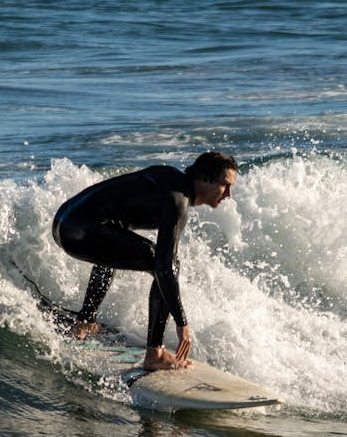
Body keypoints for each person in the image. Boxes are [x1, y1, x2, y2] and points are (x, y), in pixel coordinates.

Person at [52, 151, 238, 371]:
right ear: (204, 178)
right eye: (225, 185)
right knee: (165, 264)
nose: (228, 194)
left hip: (64, 221)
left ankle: (85, 322)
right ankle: (155, 353)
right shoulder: (179, 200)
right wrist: (182, 323)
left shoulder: (170, 178)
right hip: (80, 229)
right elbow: (165, 267)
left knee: (115, 245)